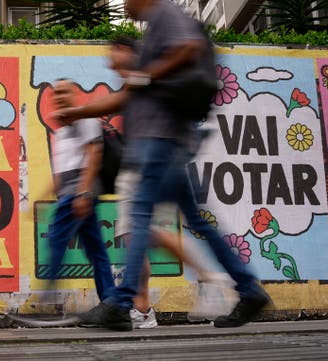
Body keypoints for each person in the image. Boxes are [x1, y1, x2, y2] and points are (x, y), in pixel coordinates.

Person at [55, 0, 271, 330]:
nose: (125, 5)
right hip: (169, 144)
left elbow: (189, 47)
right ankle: (249, 289)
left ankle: (122, 301)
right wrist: (79, 112)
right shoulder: (155, 30)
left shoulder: (165, 14)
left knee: (139, 213)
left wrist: (144, 76)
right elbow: (127, 95)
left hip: (159, 141)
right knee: (199, 220)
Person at [108, 36, 219, 329]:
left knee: (143, 234)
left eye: (115, 51)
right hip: (139, 169)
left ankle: (205, 280)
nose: (110, 59)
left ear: (129, 52)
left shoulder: (145, 81)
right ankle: (142, 308)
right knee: (139, 238)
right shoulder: (137, 85)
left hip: (145, 169)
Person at [46, 78, 116, 308]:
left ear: (75, 93)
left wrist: (84, 193)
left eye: (64, 92)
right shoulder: (62, 130)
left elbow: (95, 152)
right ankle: (112, 304)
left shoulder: (86, 118)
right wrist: (50, 191)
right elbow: (63, 168)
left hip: (79, 192)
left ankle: (48, 296)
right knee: (96, 251)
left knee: (56, 237)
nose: (60, 96)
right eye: (56, 93)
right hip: (71, 192)